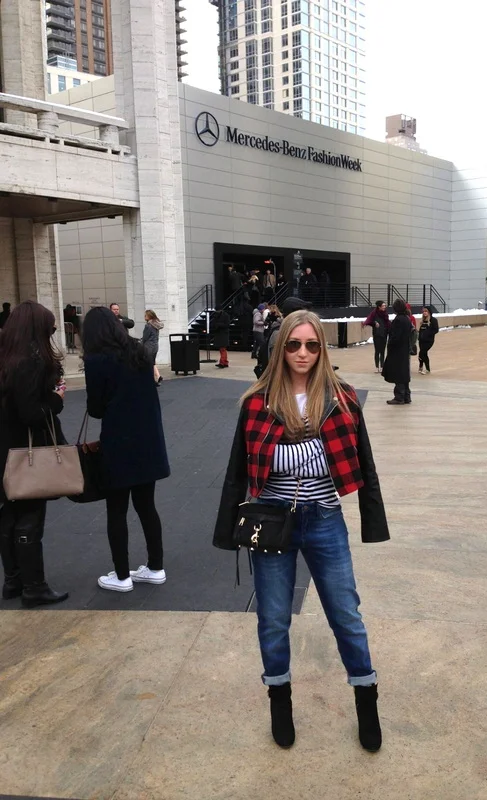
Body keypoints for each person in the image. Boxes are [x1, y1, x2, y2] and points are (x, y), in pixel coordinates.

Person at [213, 309, 389, 752]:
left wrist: (370, 517)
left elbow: (359, 461)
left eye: (312, 345)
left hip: (325, 520)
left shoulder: (342, 397)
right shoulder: (257, 400)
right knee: (273, 619)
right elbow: (241, 467)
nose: (303, 353)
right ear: (280, 348)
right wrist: (309, 453)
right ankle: (280, 703)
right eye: (294, 345)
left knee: (347, 616)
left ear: (322, 349)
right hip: (272, 521)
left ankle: (367, 704)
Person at [82, 307, 170, 592]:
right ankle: (156, 567)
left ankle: (121, 576)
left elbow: (95, 410)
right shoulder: (138, 352)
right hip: (148, 441)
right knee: (147, 507)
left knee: (116, 511)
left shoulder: (97, 360)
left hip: (118, 444)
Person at [0, 300, 69, 607]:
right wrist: (56, 398)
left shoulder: (5, 357)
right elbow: (32, 413)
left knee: (9, 513)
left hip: (5, 449)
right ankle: (34, 586)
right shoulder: (31, 360)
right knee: (30, 515)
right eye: (50, 328)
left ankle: (13, 581)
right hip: (26, 452)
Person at [382, 298, 412, 405]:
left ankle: (399, 396)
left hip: (397, 351)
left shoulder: (399, 320)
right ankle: (406, 396)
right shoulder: (407, 318)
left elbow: (395, 337)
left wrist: (390, 343)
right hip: (404, 350)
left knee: (398, 373)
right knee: (404, 373)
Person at [362, 301, 390, 373]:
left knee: (383, 351)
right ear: (379, 307)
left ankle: (382, 366)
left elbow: (388, 323)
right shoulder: (374, 313)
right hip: (377, 335)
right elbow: (369, 320)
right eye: (383, 306)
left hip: (384, 334)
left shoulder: (385, 314)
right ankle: (377, 367)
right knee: (377, 351)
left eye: (385, 305)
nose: (384, 307)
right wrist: (374, 323)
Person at [142, 309, 164, 385]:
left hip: (148, 346)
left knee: (148, 364)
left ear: (149, 316)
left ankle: (151, 381)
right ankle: (157, 377)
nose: (144, 317)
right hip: (155, 346)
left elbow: (145, 337)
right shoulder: (156, 325)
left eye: (145, 315)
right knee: (152, 362)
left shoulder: (148, 325)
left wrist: (141, 344)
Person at [418, 306, 439, 374]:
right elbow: (420, 330)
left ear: (429, 312)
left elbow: (436, 330)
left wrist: (428, 334)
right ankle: (423, 367)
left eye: (426, 311)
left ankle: (426, 368)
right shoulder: (422, 320)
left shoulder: (433, 320)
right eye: (423, 311)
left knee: (422, 353)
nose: (424, 313)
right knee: (422, 354)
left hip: (429, 341)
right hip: (421, 340)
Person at [211, 304, 231, 368]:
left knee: (222, 349)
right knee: (222, 349)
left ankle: (222, 362)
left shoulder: (225, 315)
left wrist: (218, 325)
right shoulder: (217, 315)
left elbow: (227, 324)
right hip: (220, 334)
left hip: (223, 334)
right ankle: (225, 362)